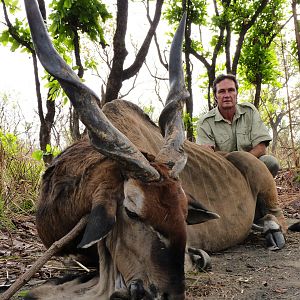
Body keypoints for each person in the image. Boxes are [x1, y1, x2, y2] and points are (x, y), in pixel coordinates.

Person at [196, 73, 279, 177]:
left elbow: (261, 147)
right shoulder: (205, 122)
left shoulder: (250, 111)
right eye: (221, 91)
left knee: (271, 162)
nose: (227, 95)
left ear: (236, 93)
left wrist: (241, 163)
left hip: (250, 166)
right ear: (215, 96)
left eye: (231, 90)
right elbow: (205, 156)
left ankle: (255, 192)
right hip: (221, 170)